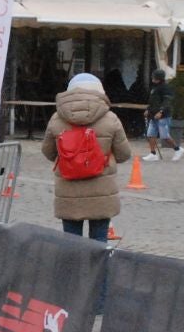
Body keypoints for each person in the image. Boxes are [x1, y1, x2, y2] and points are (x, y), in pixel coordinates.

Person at [40, 72, 133, 242]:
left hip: (68, 192)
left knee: (71, 243)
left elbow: (48, 152)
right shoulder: (111, 119)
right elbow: (124, 154)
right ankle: (97, 269)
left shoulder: (56, 119)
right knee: (98, 243)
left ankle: (73, 268)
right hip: (101, 191)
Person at [142, 68, 184, 161]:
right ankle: (153, 153)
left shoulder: (166, 88)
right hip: (153, 115)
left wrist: (161, 111)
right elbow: (152, 101)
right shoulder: (154, 88)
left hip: (163, 116)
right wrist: (148, 109)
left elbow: (167, 101)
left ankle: (178, 149)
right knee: (150, 134)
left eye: (154, 77)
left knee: (164, 136)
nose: (152, 78)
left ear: (159, 78)